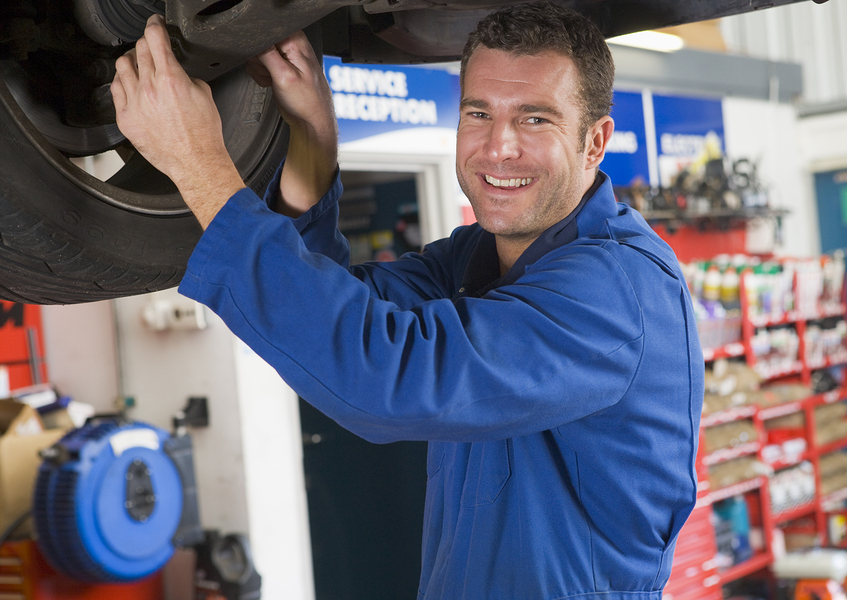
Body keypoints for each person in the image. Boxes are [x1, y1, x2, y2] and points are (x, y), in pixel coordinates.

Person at [112, 3, 704, 599]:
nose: (498, 147)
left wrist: (201, 168)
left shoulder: (618, 290)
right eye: (479, 113)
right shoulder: (479, 258)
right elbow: (336, 310)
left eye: (535, 119)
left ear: (595, 142)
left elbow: (385, 377)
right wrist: (313, 136)